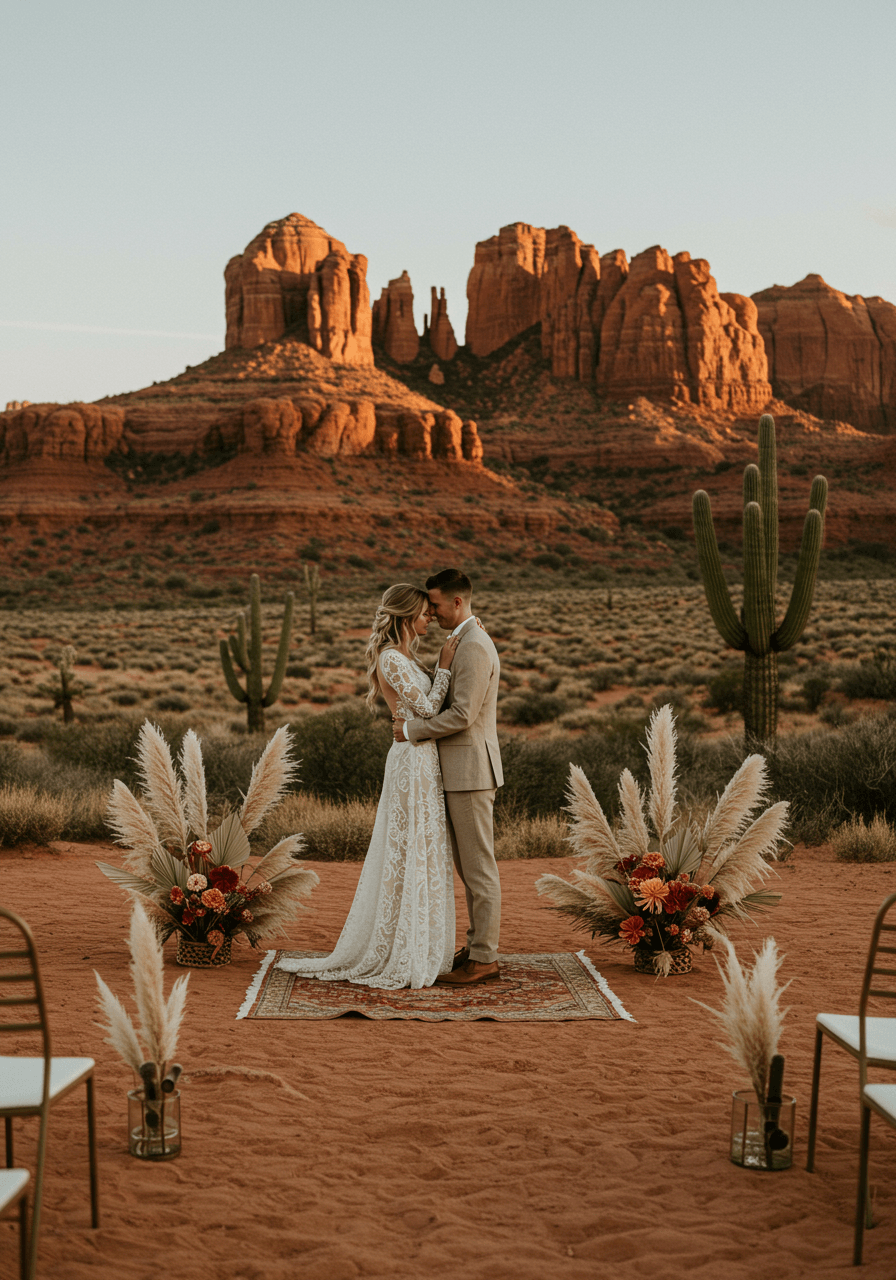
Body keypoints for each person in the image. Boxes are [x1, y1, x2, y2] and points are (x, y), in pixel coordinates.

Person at [275, 584, 459, 990]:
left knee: (425, 847)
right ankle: (398, 949)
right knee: (408, 846)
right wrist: (445, 666)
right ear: (407, 616)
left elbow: (427, 709)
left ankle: (419, 945)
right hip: (411, 761)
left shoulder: (407, 657)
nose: (430, 617)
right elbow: (429, 708)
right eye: (425, 613)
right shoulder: (390, 658)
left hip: (423, 756)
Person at [392, 568, 503, 987]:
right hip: (461, 770)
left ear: (457, 602)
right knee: (470, 866)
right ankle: (477, 947)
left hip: (470, 771)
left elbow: (462, 715)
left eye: (435, 605)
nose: (431, 612)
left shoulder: (473, 646)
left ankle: (485, 958)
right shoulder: (467, 639)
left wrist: (409, 731)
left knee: (478, 869)